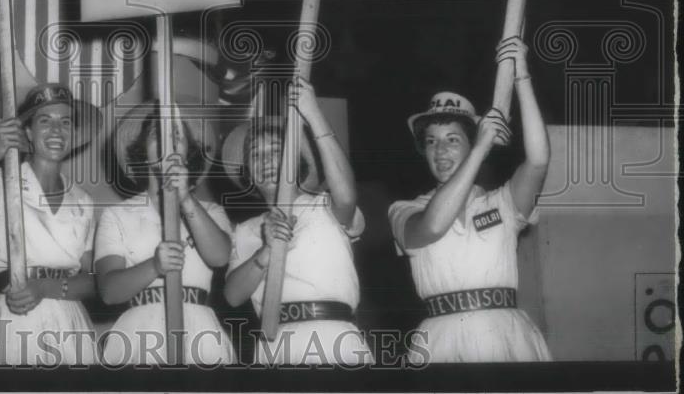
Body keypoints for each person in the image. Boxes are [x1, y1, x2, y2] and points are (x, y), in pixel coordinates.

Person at [388, 37, 553, 363]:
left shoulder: (501, 203)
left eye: (452, 140)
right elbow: (433, 226)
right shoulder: (405, 210)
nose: (440, 150)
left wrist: (523, 78)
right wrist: (481, 147)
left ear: (469, 143)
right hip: (440, 340)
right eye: (432, 142)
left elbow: (538, 161)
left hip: (505, 335)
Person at [0, 84, 100, 366]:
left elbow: (92, 281)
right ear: (27, 131)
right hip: (17, 317)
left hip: (70, 321)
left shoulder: (83, 200)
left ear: (73, 133)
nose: (56, 130)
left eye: (65, 122)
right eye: (44, 121)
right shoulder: (3, 183)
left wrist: (44, 288)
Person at [223, 76, 372, 365]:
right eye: (256, 154)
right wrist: (264, 253)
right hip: (274, 345)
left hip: (334, 340)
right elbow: (232, 296)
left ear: (297, 162)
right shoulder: (245, 230)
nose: (266, 160)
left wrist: (313, 114)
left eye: (277, 151)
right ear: (247, 173)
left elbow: (346, 197)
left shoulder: (323, 206)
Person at [93, 104, 236, 366]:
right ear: (141, 152)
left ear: (189, 153)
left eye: (177, 135)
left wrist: (186, 199)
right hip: (139, 333)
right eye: (156, 133)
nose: (168, 140)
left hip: (200, 330)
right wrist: (155, 266)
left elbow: (220, 257)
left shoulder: (212, 211)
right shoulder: (117, 214)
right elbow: (109, 292)